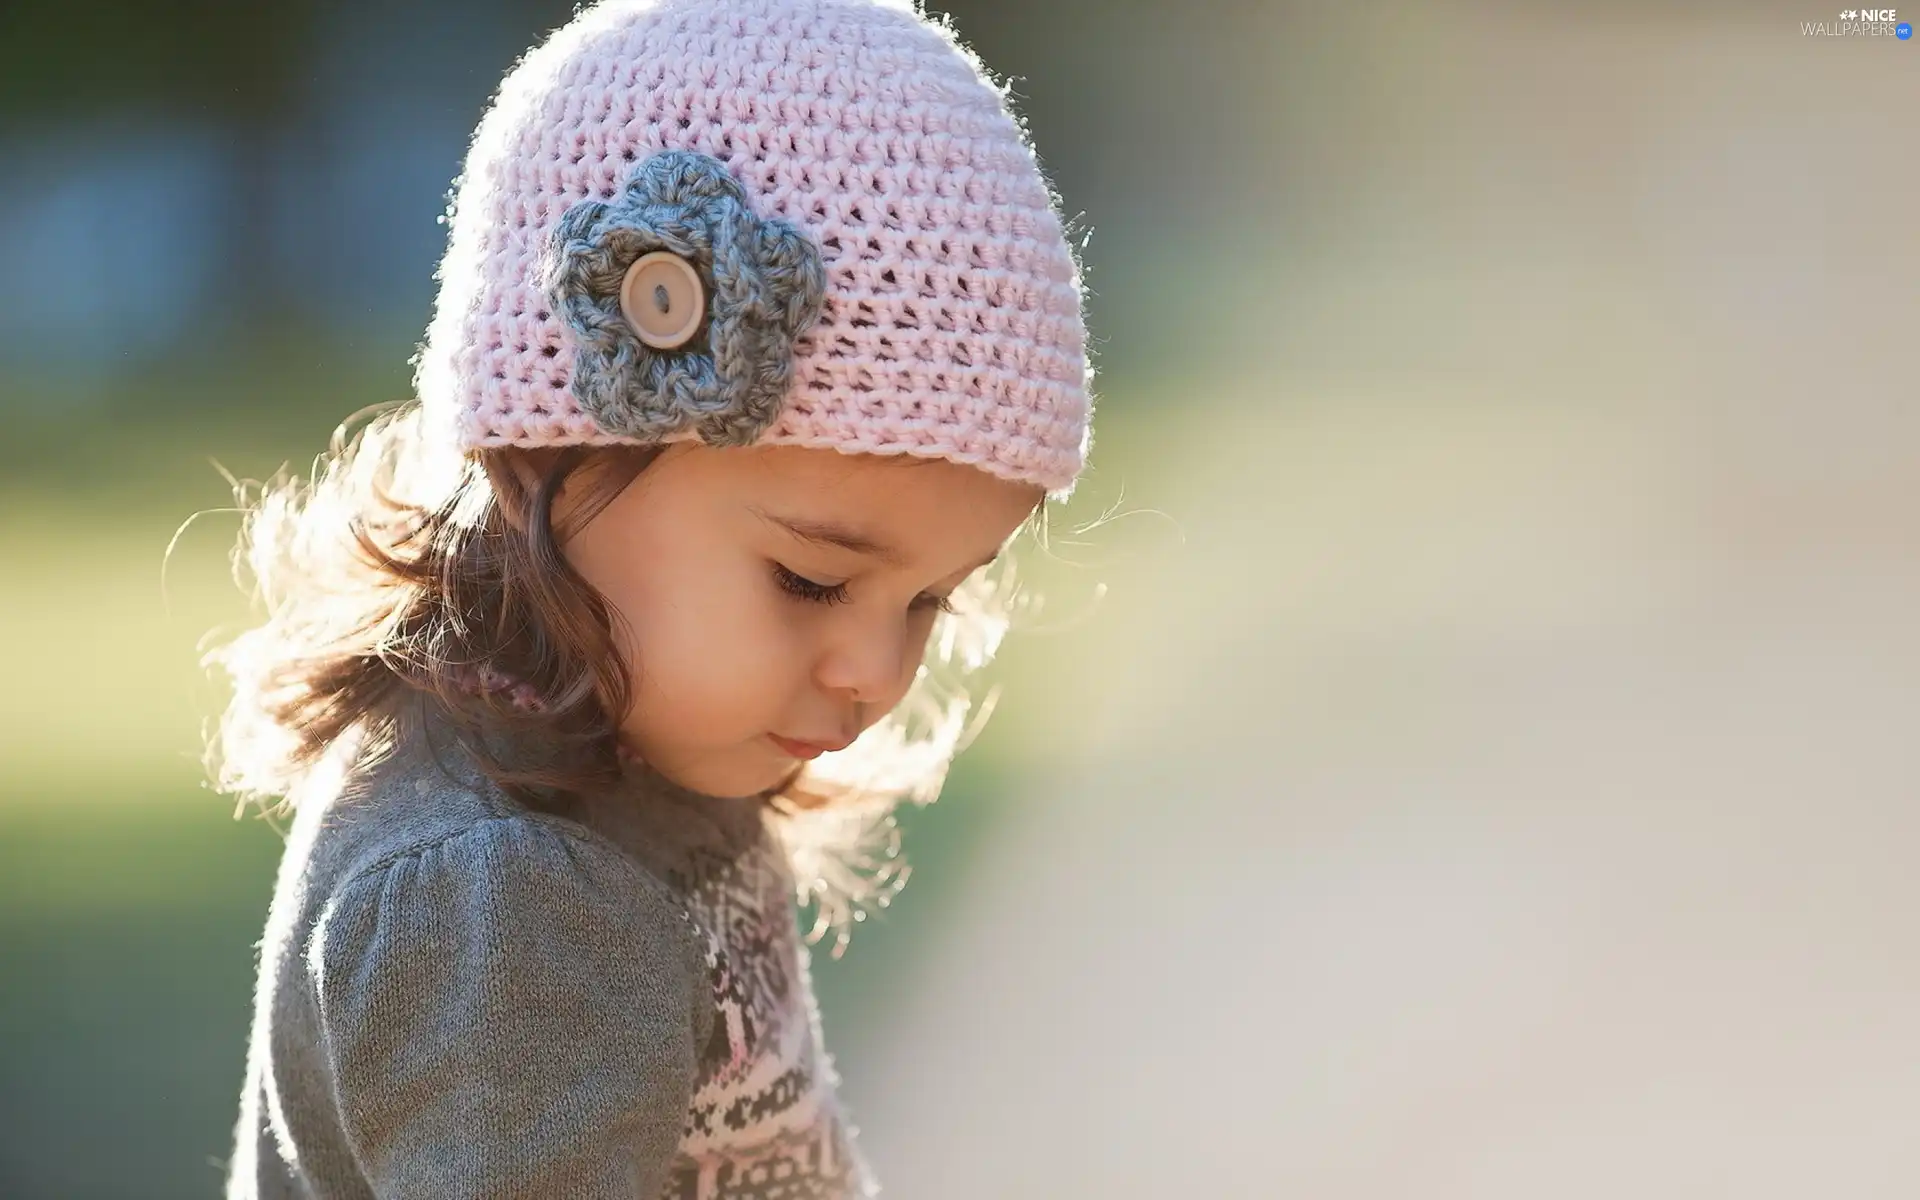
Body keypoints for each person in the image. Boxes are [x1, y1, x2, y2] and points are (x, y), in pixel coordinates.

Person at [203, 0, 1095, 1196]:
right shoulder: (507, 908)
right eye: (813, 580)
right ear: (546, 459)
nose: (873, 674)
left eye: (932, 599)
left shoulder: (636, 760)